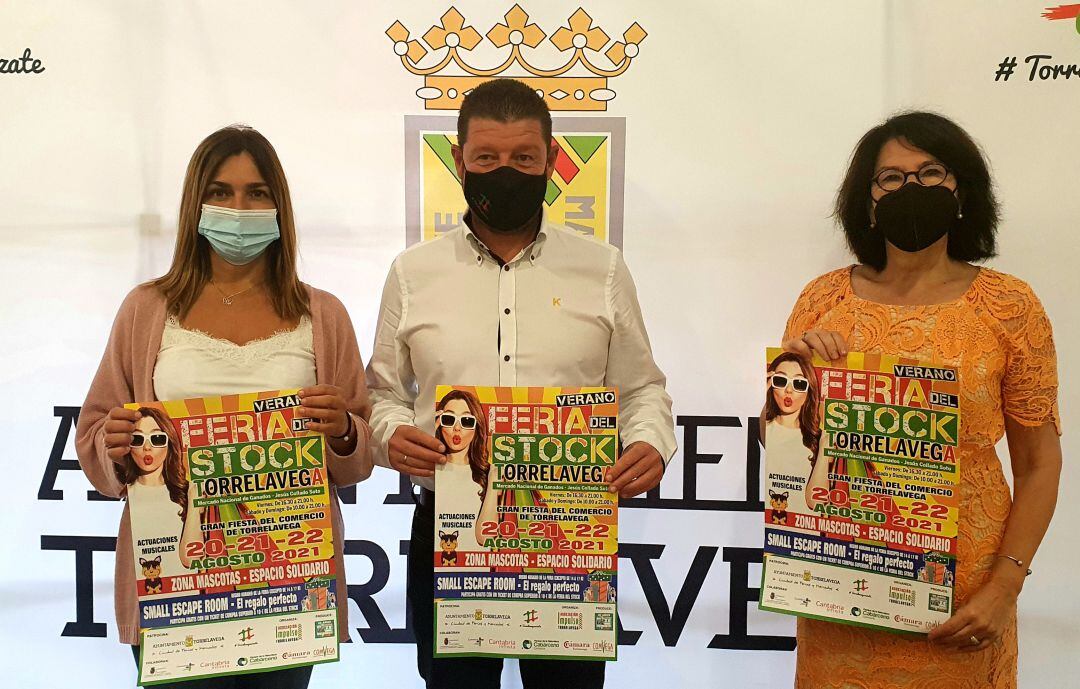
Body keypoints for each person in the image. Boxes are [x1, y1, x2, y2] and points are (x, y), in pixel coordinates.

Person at [366, 78, 677, 689]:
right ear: (458, 161)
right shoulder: (411, 273)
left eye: (522, 158)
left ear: (552, 162)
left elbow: (642, 388)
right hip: (449, 527)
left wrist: (651, 442)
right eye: (487, 157)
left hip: (567, 531)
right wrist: (392, 435)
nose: (504, 171)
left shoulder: (604, 268)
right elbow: (381, 392)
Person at [75, 125, 374, 689]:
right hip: (175, 581)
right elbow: (96, 430)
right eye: (222, 191)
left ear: (279, 206)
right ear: (196, 205)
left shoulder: (324, 315)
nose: (239, 207)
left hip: (287, 580)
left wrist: (342, 432)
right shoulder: (146, 309)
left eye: (257, 193)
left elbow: (357, 457)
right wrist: (113, 444)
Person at [781, 111, 1061, 689]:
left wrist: (1004, 589)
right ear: (867, 199)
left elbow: (1039, 463)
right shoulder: (823, 298)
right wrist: (795, 378)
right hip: (843, 588)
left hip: (967, 601)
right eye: (891, 178)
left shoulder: (1009, 306)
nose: (911, 189)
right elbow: (787, 448)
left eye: (930, 173)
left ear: (963, 191)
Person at [119, 407, 199, 591]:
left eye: (156, 439)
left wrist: (194, 501)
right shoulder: (128, 491)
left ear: (169, 443)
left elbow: (192, 559)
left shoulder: (185, 493)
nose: (147, 447)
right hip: (151, 604)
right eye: (137, 439)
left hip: (193, 598)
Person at [763, 352, 822, 516]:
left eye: (798, 383)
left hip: (806, 534)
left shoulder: (819, 440)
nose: (788, 390)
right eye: (780, 381)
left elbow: (817, 502)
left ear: (809, 390)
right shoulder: (760, 429)